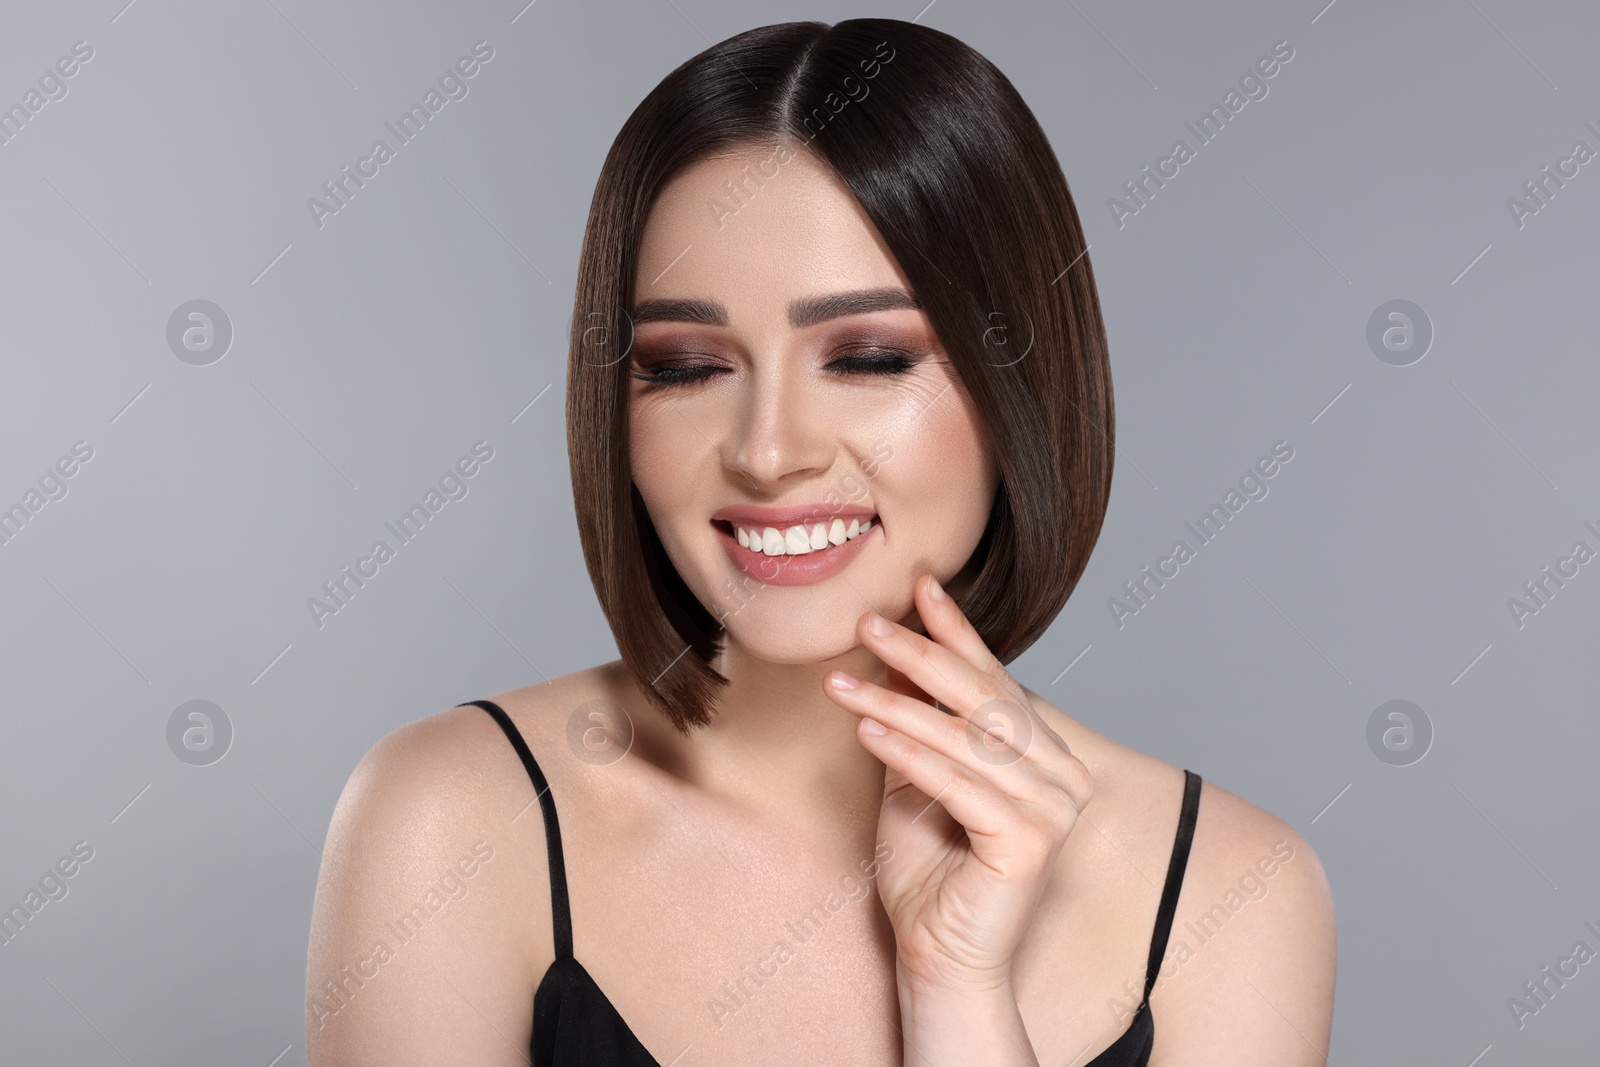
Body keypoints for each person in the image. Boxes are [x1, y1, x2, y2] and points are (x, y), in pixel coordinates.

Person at [306, 18, 1335, 1065]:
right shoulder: (453, 821)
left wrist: (960, 993)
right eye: (685, 365)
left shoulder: (1229, 891)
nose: (767, 451)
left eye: (870, 357)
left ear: (1018, 388)